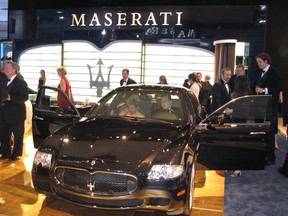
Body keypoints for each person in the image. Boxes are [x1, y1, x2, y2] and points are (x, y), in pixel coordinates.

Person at [254, 52, 281, 166]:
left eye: (260, 62)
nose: (258, 64)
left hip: (270, 109)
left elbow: (277, 88)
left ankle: (270, 158)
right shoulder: (261, 73)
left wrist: (264, 90)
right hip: (262, 108)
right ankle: (264, 156)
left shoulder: (275, 73)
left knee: (270, 134)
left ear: (266, 61)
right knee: (264, 133)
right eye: (257, 62)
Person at [0, 62, 29, 160]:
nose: (5, 69)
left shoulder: (21, 82)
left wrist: (11, 98)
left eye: (7, 68)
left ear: (14, 70)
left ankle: (15, 154)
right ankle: (5, 153)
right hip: (3, 113)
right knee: (4, 134)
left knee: (17, 136)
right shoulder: (3, 81)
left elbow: (25, 97)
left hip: (16, 114)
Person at [229, 75, 253, 177]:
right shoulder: (250, 94)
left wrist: (231, 112)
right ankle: (238, 168)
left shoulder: (234, 94)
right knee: (242, 146)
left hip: (235, 122)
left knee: (235, 146)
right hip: (246, 123)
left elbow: (233, 110)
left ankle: (236, 168)